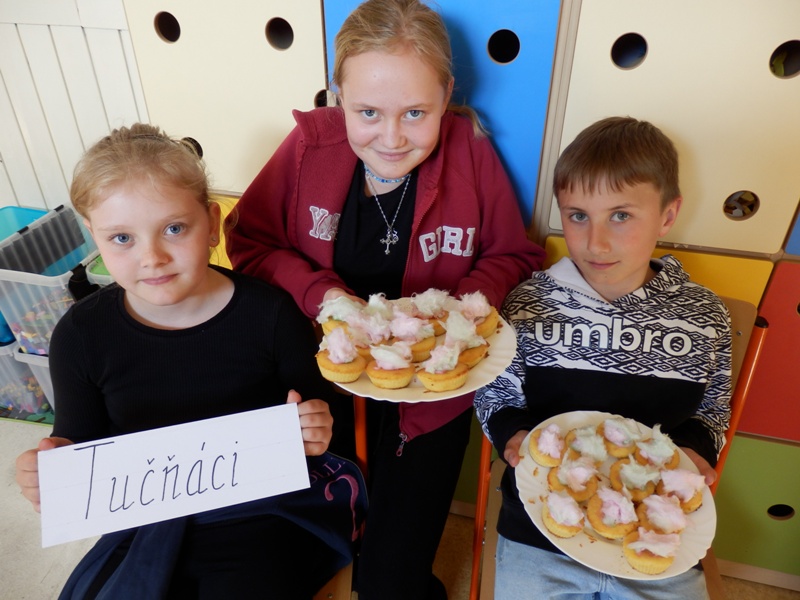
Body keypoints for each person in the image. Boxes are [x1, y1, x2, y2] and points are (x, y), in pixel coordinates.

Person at [225, 0, 545, 597]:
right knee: (286, 559)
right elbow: (250, 240)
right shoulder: (309, 147)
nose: (392, 138)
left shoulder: (470, 150)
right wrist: (323, 296)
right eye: (367, 112)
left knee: (390, 584)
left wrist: (455, 310)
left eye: (416, 112)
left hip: (428, 405)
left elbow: (513, 254)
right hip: (320, 392)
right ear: (337, 97)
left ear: (446, 96)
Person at [14, 124, 366, 600]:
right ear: (94, 236)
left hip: (267, 513)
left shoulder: (270, 314)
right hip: (145, 522)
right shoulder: (80, 335)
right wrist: (49, 469)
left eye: (174, 229)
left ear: (213, 222)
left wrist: (316, 427)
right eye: (122, 238)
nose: (153, 257)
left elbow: (325, 426)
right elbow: (79, 443)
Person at [474, 116, 732, 599]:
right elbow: (497, 395)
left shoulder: (705, 316)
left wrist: (697, 450)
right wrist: (513, 434)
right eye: (577, 216)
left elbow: (712, 410)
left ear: (668, 215)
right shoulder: (526, 304)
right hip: (539, 527)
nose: (595, 242)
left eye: (621, 215)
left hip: (657, 531)